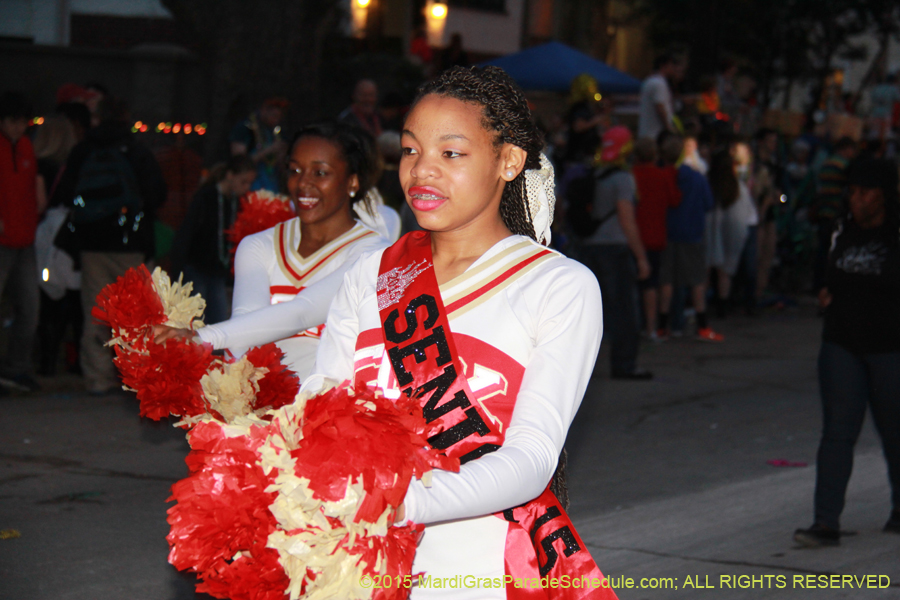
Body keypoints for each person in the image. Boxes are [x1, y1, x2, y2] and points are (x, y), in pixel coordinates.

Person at [304, 65, 615, 600]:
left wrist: (404, 502)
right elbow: (321, 403)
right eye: (409, 151)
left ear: (509, 161)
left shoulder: (559, 286)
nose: (422, 172)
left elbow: (532, 458)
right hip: (351, 556)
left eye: (451, 154)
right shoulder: (371, 274)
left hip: (476, 569)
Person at [155, 122, 391, 381]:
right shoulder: (259, 245)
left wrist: (202, 337)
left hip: (336, 407)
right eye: (295, 170)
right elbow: (244, 335)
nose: (303, 183)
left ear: (352, 182)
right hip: (268, 407)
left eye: (320, 173)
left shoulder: (373, 252)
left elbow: (303, 312)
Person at [794, 159, 900, 547]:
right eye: (852, 192)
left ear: (884, 196)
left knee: (895, 433)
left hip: (890, 348)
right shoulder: (842, 230)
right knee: (837, 433)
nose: (856, 199)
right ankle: (826, 523)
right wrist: (827, 295)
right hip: (842, 344)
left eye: (865, 192)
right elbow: (831, 278)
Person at [53, 96, 166, 395]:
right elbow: (157, 194)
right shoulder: (137, 151)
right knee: (139, 314)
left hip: (91, 246)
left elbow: (65, 193)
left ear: (98, 118)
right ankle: (138, 377)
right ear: (127, 117)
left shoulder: (83, 150)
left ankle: (98, 378)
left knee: (97, 312)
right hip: (133, 243)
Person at [577, 126, 651, 380]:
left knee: (586, 315)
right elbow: (627, 220)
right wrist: (641, 257)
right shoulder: (622, 179)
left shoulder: (593, 174)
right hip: (614, 251)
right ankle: (624, 364)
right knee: (624, 312)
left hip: (587, 249)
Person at [169, 155, 256, 325]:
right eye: (244, 182)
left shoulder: (236, 202)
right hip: (196, 269)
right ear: (230, 175)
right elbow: (186, 234)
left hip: (217, 272)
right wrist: (177, 269)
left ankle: (213, 351)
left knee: (220, 322)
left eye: (249, 183)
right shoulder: (205, 197)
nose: (246, 188)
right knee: (194, 321)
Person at [657, 134, 723, 342]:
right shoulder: (697, 178)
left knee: (667, 280)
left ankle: (662, 326)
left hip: (667, 233)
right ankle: (702, 325)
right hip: (693, 234)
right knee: (696, 281)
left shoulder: (663, 176)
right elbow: (709, 203)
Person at [0, 92, 44, 391]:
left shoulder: (26, 147)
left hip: (25, 239)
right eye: (14, 122)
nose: (19, 128)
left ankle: (15, 368)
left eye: (22, 123)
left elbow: (31, 192)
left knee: (30, 306)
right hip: (4, 240)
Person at [632, 137, 681, 340]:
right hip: (655, 235)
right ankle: (651, 328)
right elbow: (675, 200)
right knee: (651, 284)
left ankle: (635, 327)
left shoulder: (632, 175)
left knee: (634, 284)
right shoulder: (661, 176)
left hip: (635, 234)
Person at [706, 149, 757, 318]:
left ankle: (704, 304)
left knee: (708, 269)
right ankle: (722, 304)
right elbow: (746, 214)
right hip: (732, 232)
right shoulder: (736, 187)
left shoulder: (709, 183)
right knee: (725, 271)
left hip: (710, 232)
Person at [229, 97, 289, 193]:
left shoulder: (276, 133)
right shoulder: (245, 128)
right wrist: (268, 151)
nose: (276, 120)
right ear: (264, 109)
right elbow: (238, 163)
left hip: (272, 187)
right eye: (274, 116)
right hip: (249, 189)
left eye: (279, 117)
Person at [637, 51, 686, 140]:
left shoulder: (650, 81)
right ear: (664, 66)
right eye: (671, 65)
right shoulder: (659, 83)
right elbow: (660, 106)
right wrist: (669, 128)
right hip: (655, 135)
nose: (673, 69)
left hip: (648, 133)